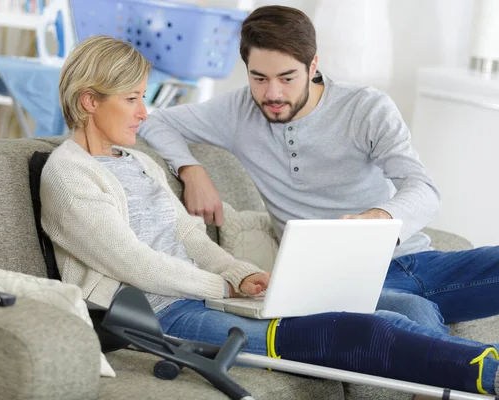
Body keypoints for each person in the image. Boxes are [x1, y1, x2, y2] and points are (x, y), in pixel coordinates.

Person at [40, 35, 499, 395]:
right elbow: (132, 262)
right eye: (132, 99)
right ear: (89, 101)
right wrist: (222, 286)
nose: (145, 112)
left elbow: (188, 234)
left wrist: (240, 273)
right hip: (159, 312)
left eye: (144, 97)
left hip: (202, 294)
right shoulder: (67, 175)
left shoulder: (136, 161)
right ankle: (490, 373)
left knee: (403, 307)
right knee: (353, 330)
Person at [138, 5, 499, 346]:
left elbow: (422, 187)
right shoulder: (237, 112)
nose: (272, 93)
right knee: (415, 311)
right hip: (336, 280)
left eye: (287, 77)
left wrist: (380, 217)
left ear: (313, 66)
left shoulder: (365, 107)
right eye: (259, 78)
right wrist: (191, 169)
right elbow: (156, 121)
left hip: (414, 260)